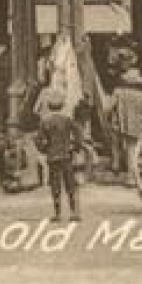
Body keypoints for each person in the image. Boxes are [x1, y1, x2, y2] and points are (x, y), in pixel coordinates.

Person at [35, 88, 81, 222]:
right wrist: (76, 147)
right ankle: (73, 212)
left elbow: (39, 140)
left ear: (49, 106)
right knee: (70, 184)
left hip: (52, 156)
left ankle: (57, 213)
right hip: (66, 155)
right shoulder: (67, 120)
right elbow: (78, 134)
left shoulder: (45, 121)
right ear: (62, 106)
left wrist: (45, 149)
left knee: (55, 185)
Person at [108, 68, 142, 181]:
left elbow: (108, 108)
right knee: (132, 149)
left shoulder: (118, 92)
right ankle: (132, 174)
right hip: (135, 125)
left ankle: (116, 164)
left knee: (115, 142)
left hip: (119, 125)